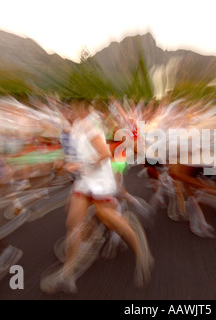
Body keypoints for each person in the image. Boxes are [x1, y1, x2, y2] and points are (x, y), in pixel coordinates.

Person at [40, 98, 153, 294]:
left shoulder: (89, 126)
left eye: (70, 108)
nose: (66, 112)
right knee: (73, 222)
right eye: (64, 109)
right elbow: (75, 153)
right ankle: (67, 274)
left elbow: (103, 153)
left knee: (112, 221)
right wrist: (63, 161)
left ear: (80, 108)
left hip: (100, 181)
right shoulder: (73, 127)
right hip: (84, 181)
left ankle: (142, 253)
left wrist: (79, 165)